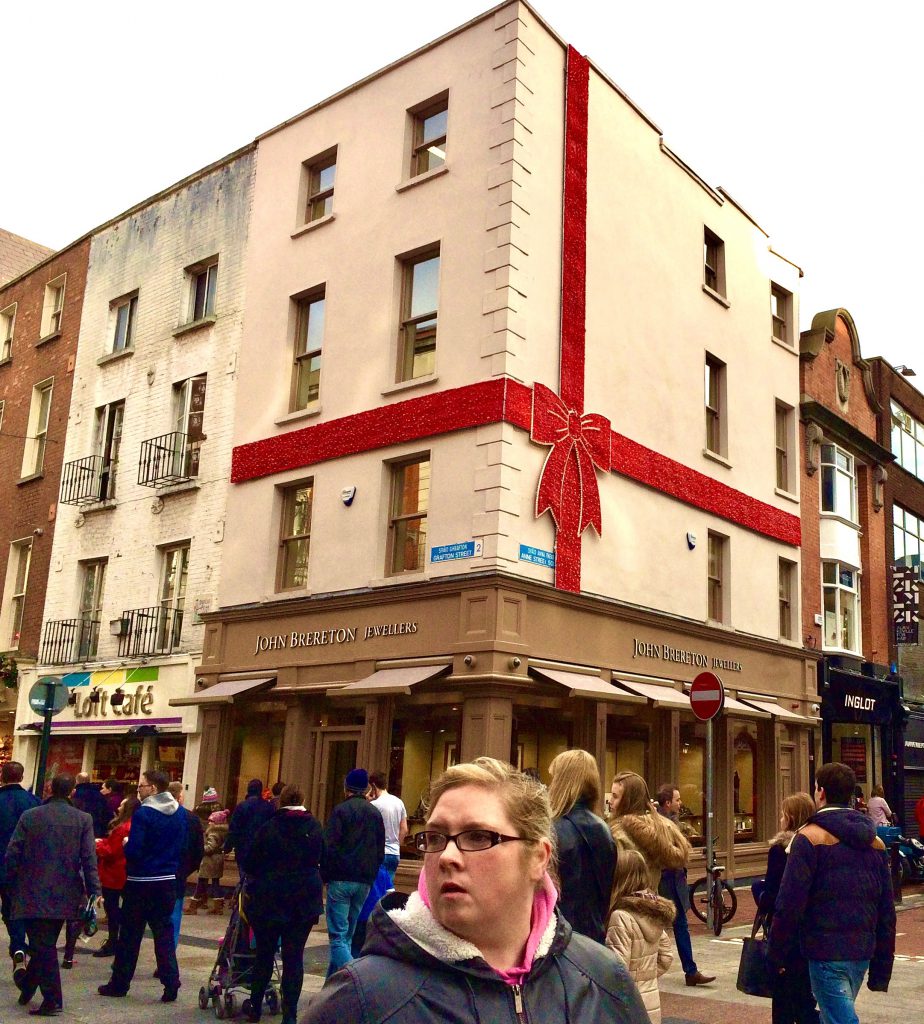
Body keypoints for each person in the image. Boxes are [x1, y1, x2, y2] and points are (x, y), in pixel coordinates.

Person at [304, 756, 650, 1024]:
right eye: (436, 837)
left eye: (479, 836)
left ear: (539, 858)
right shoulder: (361, 998)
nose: (448, 857)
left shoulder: (604, 979)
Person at [768, 762, 896, 1024]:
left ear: (821, 792)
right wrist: (882, 965)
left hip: (825, 951)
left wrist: (776, 953)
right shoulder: (875, 842)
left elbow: (789, 903)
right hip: (861, 951)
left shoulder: (809, 838)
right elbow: (886, 909)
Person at [6, 772, 100, 1017]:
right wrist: (94, 890)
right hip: (66, 891)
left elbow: (13, 853)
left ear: (49, 790)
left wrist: (10, 880)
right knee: (44, 943)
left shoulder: (30, 816)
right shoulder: (83, 819)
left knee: (42, 944)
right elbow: (89, 857)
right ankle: (27, 987)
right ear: (71, 793)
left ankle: (52, 999)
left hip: (31, 888)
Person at [98, 769, 188, 1002]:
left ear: (154, 789)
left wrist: (127, 843)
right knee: (163, 933)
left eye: (142, 786)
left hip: (141, 881)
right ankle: (171, 982)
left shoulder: (144, 814)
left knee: (130, 935)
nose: (139, 790)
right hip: (167, 879)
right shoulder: (180, 814)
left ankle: (119, 983)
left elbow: (135, 851)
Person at [240, 784, 323, 1024]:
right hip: (304, 900)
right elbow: (323, 858)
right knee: (293, 957)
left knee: (264, 955)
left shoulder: (269, 828)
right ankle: (290, 1014)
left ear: (281, 801)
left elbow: (251, 862)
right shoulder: (315, 827)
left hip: (270, 899)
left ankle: (255, 1007)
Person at [754, 792, 818, 1024]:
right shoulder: (817, 845)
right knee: (805, 997)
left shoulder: (781, 850)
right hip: (811, 934)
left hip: (785, 934)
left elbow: (773, 896)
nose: (780, 818)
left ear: (790, 817)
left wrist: (758, 892)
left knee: (783, 1000)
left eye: (783, 814)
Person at [321, 768, 385, 977]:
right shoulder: (374, 813)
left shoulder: (341, 811)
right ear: (366, 788)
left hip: (341, 878)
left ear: (346, 787)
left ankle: (355, 979)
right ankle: (333, 985)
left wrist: (326, 875)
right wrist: (371, 874)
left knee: (338, 937)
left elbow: (330, 846)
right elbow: (380, 848)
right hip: (364, 880)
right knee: (347, 936)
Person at [546, 749, 615, 943]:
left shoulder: (553, 829)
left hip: (558, 936)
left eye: (554, 778)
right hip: (594, 935)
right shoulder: (604, 829)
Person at [655, 783, 715, 987]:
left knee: (678, 925)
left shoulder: (673, 821)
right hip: (665, 880)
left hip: (674, 878)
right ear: (668, 802)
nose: (681, 803)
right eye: (677, 800)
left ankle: (690, 971)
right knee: (664, 925)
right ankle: (689, 971)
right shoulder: (660, 824)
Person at [606, 847, 674, 1024]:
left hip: (628, 1004)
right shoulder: (653, 911)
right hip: (651, 1001)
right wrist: (646, 975)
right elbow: (666, 957)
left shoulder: (621, 916)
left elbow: (616, 969)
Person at [0, 760, 39, 976]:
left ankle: (17, 945)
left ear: (2, 776)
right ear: (22, 777)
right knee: (19, 907)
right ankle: (21, 945)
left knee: (8, 909)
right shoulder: (34, 802)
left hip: (2, 863)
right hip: (27, 866)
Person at [93, 795, 141, 958]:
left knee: (112, 909)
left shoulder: (122, 827)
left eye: (122, 805)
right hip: (125, 872)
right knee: (121, 908)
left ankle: (113, 942)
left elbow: (111, 851)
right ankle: (119, 941)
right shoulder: (134, 826)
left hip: (114, 873)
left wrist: (98, 844)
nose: (119, 807)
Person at [169, 781, 205, 949]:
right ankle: (167, 958)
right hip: (177, 875)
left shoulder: (149, 814)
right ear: (180, 796)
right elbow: (198, 849)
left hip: (152, 875)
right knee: (173, 919)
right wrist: (187, 869)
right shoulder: (191, 819)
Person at [224, 779, 275, 879]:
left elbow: (234, 829)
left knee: (244, 877)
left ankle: (244, 891)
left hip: (244, 847)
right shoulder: (269, 807)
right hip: (262, 848)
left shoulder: (241, 807)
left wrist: (228, 846)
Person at [369, 769, 408, 884]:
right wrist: (397, 844)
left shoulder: (374, 805)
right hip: (394, 853)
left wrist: (367, 799)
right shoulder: (399, 802)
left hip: (379, 852)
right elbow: (404, 829)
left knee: (376, 889)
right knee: (387, 887)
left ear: (373, 786)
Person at [188, 807, 229, 914]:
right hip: (217, 859)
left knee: (201, 881)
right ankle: (218, 906)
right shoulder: (222, 832)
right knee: (215, 883)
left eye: (211, 821)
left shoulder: (213, 833)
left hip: (209, 861)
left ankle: (194, 906)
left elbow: (210, 847)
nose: (209, 823)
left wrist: (200, 849)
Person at [71, 772, 112, 838]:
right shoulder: (99, 795)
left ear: (77, 781)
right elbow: (106, 813)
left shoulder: (75, 795)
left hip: (79, 829)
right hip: (96, 829)